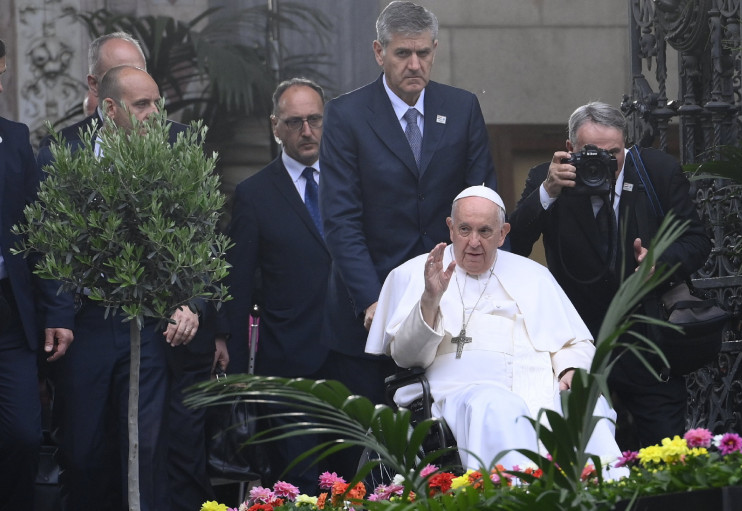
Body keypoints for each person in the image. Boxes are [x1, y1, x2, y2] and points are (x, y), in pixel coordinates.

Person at [366, 186, 624, 472]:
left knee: (586, 405)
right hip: (460, 393)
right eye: (465, 229)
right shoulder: (415, 273)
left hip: (539, 387)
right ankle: (517, 498)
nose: (474, 242)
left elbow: (574, 342)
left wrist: (570, 369)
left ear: (503, 234)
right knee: (497, 406)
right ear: (450, 228)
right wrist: (430, 300)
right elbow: (406, 357)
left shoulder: (534, 275)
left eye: (485, 231)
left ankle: (606, 493)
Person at [36, 66, 202, 510]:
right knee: (85, 450)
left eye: (157, 103)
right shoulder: (62, 153)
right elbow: (45, 242)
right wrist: (57, 315)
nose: (155, 114)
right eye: (142, 105)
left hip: (150, 326)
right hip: (85, 324)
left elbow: (202, 237)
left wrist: (190, 302)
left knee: (146, 448)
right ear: (109, 108)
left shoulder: (178, 147)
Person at [319, 0, 497, 407]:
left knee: (445, 454)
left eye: (424, 53)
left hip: (452, 311)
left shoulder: (462, 107)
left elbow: (482, 201)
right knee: (373, 454)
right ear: (380, 53)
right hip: (368, 310)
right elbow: (341, 220)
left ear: (434, 49)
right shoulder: (346, 116)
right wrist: (371, 302)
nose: (415, 64)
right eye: (403, 53)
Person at [506, 101, 711, 449]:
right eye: (591, 153)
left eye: (614, 153)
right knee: (589, 457)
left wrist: (659, 263)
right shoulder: (550, 177)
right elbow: (512, 246)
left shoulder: (656, 171)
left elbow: (697, 239)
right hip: (582, 348)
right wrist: (547, 192)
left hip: (648, 343)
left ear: (625, 146)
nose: (604, 162)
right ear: (570, 149)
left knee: (664, 456)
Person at [220, 77, 331, 492]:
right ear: (275, 126)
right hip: (287, 360)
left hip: (352, 357)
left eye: (315, 120)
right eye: (295, 121)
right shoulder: (255, 193)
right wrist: (231, 364)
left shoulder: (353, 181)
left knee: (354, 479)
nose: (307, 131)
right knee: (299, 481)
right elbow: (238, 277)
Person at [0, 38, 74, 509]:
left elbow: (38, 237)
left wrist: (57, 311)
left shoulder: (15, 139)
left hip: (10, 318)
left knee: (26, 436)